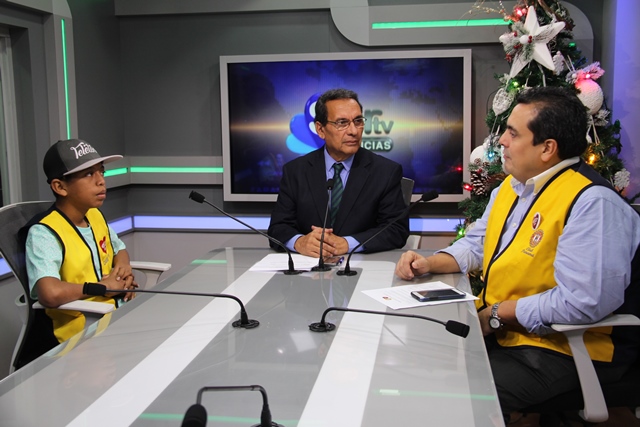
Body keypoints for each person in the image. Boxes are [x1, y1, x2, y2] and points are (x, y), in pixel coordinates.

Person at [395, 87, 640, 418]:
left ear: (547, 148)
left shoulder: (592, 203)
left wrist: (500, 313)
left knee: (455, 397)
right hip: (509, 334)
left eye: (513, 133)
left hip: (565, 349)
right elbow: (478, 243)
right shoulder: (511, 188)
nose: (502, 141)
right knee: (419, 362)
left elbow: (584, 301)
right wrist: (430, 262)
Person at [268, 88, 409, 258]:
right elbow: (278, 227)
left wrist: (348, 243)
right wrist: (300, 242)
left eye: (358, 121)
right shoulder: (295, 171)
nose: (353, 131)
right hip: (308, 266)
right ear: (320, 130)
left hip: (363, 266)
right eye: (342, 123)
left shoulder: (385, 171)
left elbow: (396, 229)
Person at [24, 138, 137, 344]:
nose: (101, 181)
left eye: (101, 172)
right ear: (60, 187)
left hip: (115, 318)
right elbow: (49, 293)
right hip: (80, 336)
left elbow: (119, 249)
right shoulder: (44, 233)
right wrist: (102, 287)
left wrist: (123, 269)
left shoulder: (94, 215)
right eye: (88, 174)